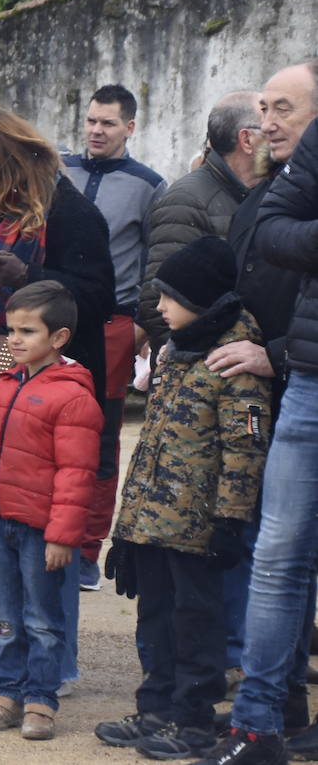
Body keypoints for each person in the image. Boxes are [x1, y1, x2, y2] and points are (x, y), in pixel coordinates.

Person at [0, 107, 115, 694]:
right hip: (9, 379)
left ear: (6, 158)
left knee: (47, 537)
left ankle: (54, 667)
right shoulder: (1, 210)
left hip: (60, 390)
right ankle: (5, 662)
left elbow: (98, 296)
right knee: (0, 524)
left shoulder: (71, 212)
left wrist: (24, 277)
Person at [94, 236, 271, 760]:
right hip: (154, 524)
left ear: (199, 299)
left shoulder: (233, 356)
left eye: (169, 298)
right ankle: (155, 708)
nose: (160, 308)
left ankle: (193, 720)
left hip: (198, 528)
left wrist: (230, 520)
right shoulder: (173, 351)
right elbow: (150, 443)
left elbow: (246, 444)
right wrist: (128, 531)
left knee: (196, 626)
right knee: (156, 617)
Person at [204, 76, 318, 765]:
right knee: (277, 558)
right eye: (265, 108)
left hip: (293, 366)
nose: (269, 121)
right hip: (306, 379)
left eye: (284, 108)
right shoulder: (308, 158)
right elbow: (274, 228)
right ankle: (258, 725)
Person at [0, 281, 102, 741]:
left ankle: (41, 701)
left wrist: (61, 536)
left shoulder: (74, 397)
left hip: (41, 532)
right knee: (4, 615)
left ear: (58, 338)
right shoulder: (2, 386)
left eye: (27, 331)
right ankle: (7, 693)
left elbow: (77, 475)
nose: (14, 339)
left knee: (42, 618)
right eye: (12, 329)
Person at [62, 84, 166, 591]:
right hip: (49, 322)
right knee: (31, 430)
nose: (96, 131)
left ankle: (85, 550)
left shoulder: (150, 185)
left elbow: (156, 261)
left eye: (107, 123)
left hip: (113, 326)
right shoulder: (59, 171)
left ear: (130, 127)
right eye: (91, 120)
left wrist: (144, 324)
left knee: (100, 438)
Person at [138, 91, 264, 350]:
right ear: (247, 139)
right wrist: (200, 370)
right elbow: (159, 300)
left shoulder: (267, 192)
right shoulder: (186, 199)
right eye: (269, 120)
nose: (277, 128)